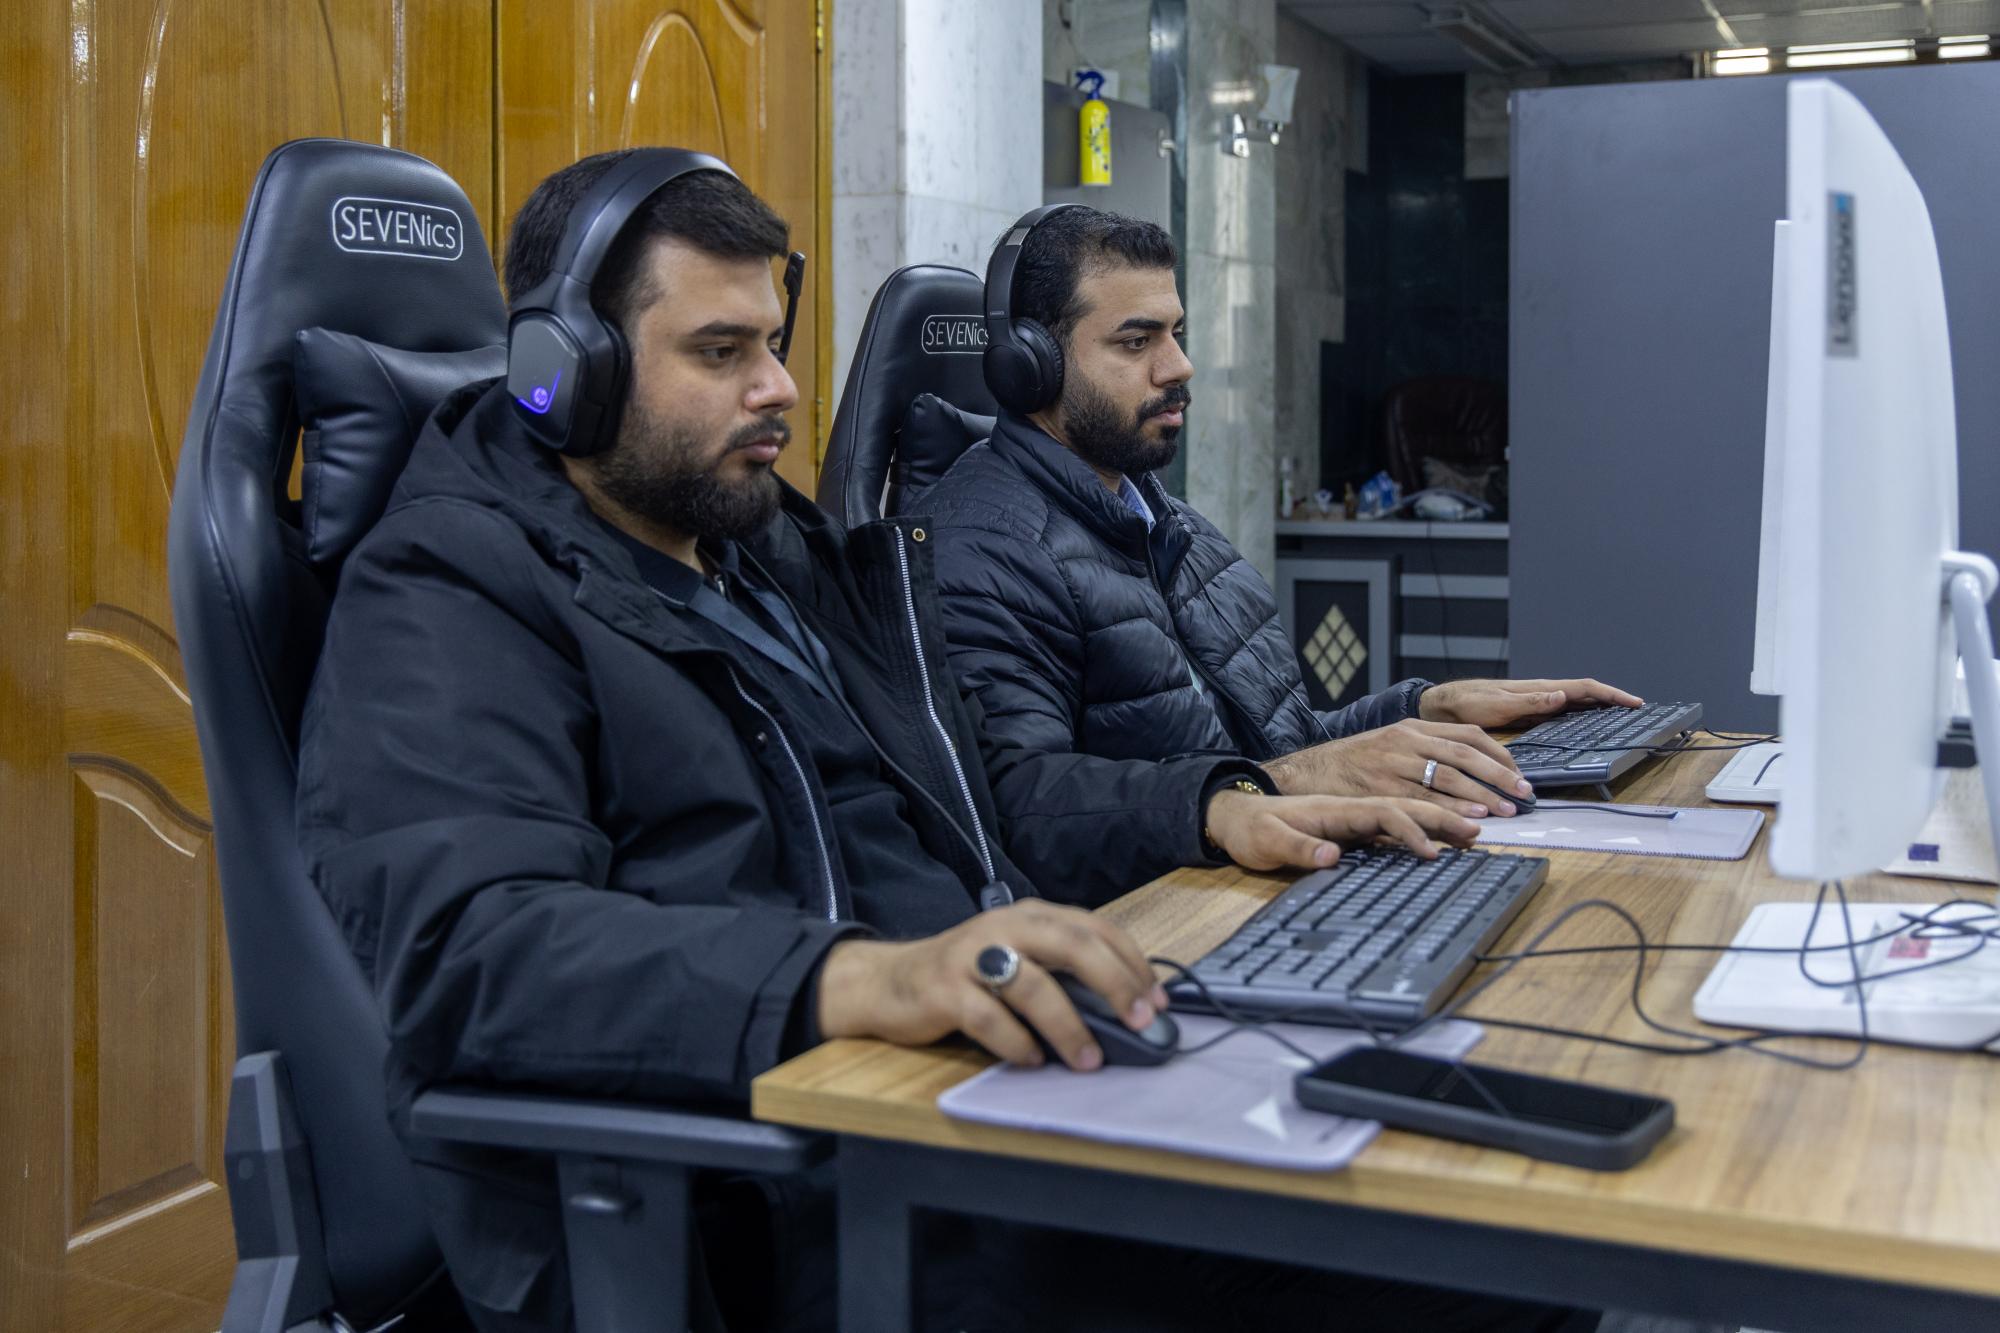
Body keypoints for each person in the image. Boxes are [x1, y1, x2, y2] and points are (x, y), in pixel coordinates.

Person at [298, 153, 1581, 1332]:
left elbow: (994, 797)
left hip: (973, 1113)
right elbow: (474, 950)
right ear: (561, 373)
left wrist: (1218, 799)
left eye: (773, 343)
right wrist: (870, 977)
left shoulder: (764, 554)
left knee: (1510, 1207)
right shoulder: (446, 591)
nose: (778, 388)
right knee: (1497, 1273)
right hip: (795, 1196)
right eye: (719, 351)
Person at [918, 206, 1642, 818]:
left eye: (1176, 334)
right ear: (1029, 365)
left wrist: (1426, 709)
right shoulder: (981, 552)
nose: (1178, 367)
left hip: (1255, 881)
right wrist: (1270, 789)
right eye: (1136, 342)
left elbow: (1282, 749)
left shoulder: (1174, 529)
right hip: (1161, 920)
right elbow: (1028, 810)